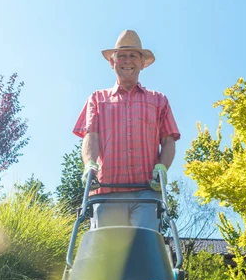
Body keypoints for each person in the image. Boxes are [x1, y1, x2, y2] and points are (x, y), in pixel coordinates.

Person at [73, 29, 180, 231]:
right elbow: (91, 136)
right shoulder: (97, 98)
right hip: (107, 192)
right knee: (108, 254)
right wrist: (89, 165)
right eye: (121, 55)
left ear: (141, 63)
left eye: (133, 55)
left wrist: (162, 168)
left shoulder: (158, 100)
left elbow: (168, 140)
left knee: (143, 247)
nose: (127, 60)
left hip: (147, 193)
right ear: (113, 62)